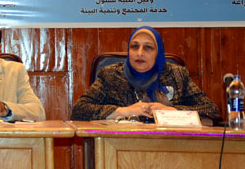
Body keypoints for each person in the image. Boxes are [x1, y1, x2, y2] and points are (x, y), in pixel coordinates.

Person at [71, 26, 220, 125]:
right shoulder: (111, 75)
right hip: (121, 149)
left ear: (158, 53)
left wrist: (171, 111)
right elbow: (79, 110)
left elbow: (211, 110)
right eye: (134, 46)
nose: (140, 53)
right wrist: (123, 111)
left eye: (148, 47)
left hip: (171, 149)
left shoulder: (177, 75)